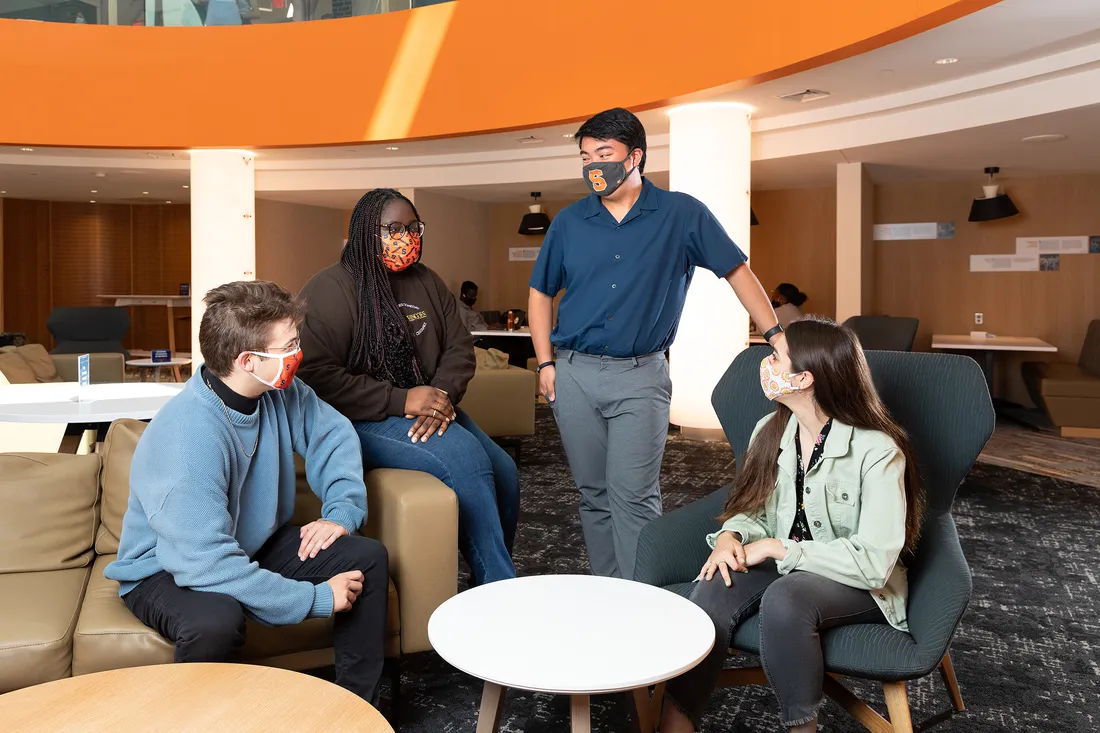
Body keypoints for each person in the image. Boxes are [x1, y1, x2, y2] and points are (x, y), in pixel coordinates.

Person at [528, 107, 786, 581]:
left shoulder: (681, 214)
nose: (592, 166)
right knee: (593, 494)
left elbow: (737, 271)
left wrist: (774, 334)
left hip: (640, 376)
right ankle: (608, 589)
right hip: (574, 373)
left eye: (603, 154)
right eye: (585, 156)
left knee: (633, 494)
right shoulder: (569, 222)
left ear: (635, 156)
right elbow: (541, 294)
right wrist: (546, 362)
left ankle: (641, 596)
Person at [105, 281, 389, 703]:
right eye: (289, 345)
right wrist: (315, 598)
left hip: (249, 543)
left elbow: (333, 435)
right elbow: (205, 564)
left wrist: (341, 511)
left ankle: (354, 708)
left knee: (367, 557)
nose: (299, 354)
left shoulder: (281, 392)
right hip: (166, 568)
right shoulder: (188, 436)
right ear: (248, 360)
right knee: (217, 619)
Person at [660, 316, 924, 733]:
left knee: (787, 597)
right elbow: (755, 509)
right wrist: (732, 535)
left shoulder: (878, 451)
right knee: (715, 581)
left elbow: (874, 563)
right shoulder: (770, 429)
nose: (765, 364)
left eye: (775, 357)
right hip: (784, 563)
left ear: (804, 379)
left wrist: (781, 549)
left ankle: (802, 728)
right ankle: (677, 718)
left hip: (858, 580)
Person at [298, 188, 519, 587]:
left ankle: (486, 575)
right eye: (393, 228)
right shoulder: (329, 289)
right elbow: (316, 375)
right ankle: (499, 587)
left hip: (430, 406)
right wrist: (402, 399)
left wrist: (441, 397)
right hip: (361, 418)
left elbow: (459, 347)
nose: (407, 237)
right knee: (465, 457)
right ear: (367, 231)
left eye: (413, 227)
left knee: (504, 470)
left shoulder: (427, 281)